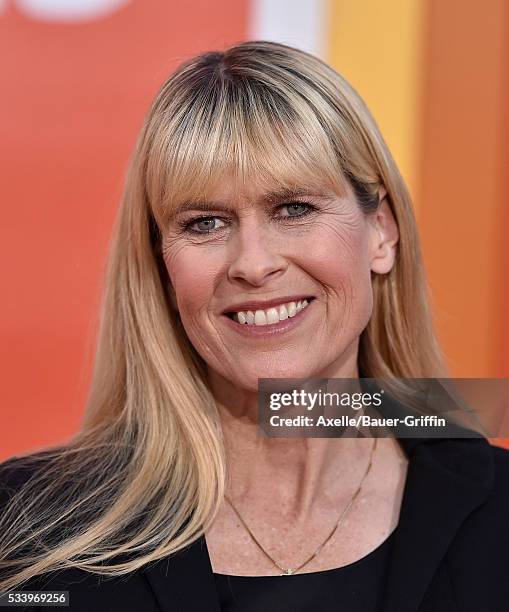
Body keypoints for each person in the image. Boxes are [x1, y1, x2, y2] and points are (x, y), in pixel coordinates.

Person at [0, 40, 508, 612]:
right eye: (205, 222)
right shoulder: (28, 528)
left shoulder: (498, 516)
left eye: (293, 209)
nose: (253, 263)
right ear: (165, 270)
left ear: (381, 233)